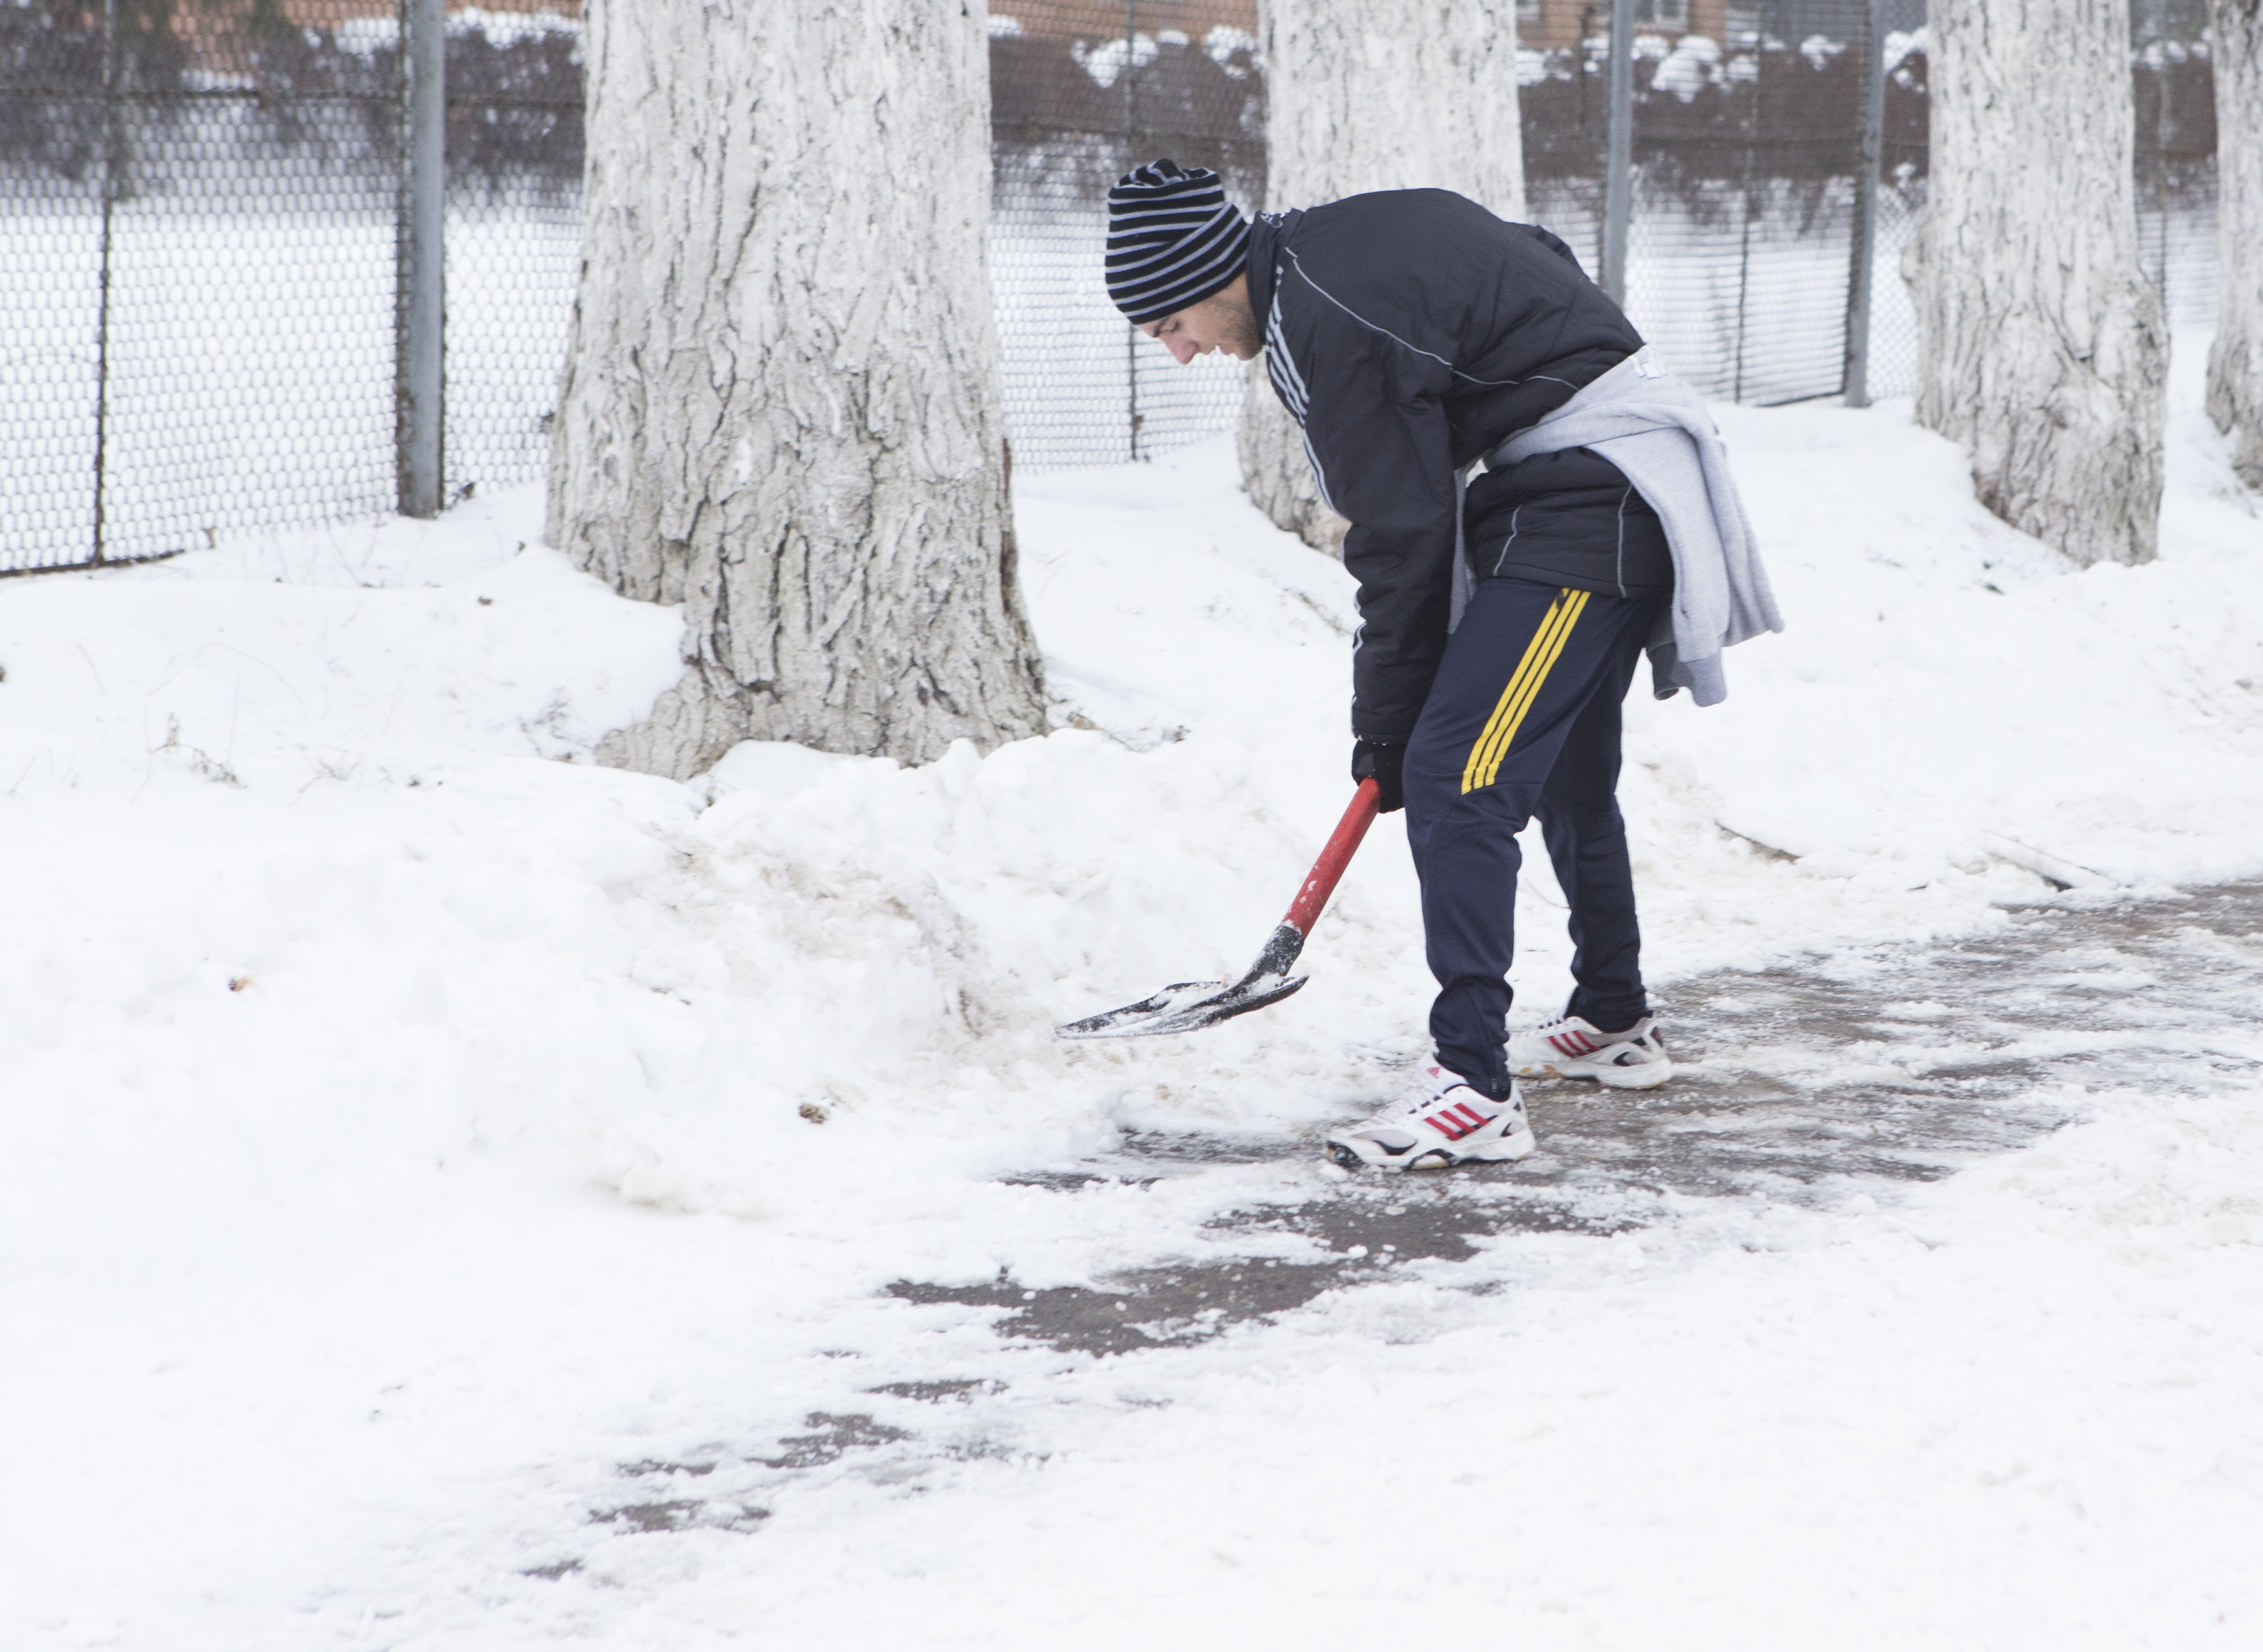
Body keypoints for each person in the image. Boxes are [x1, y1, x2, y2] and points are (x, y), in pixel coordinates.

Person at [1104, 159, 1781, 1172]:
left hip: (1591, 498)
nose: (1181, 352)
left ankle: (1474, 1086)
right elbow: (1531, 252)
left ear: (1207, 275)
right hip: (1594, 482)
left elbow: (1401, 537)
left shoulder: (1324, 319)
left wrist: (1388, 726)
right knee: (1561, 769)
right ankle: (1612, 1016)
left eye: (1172, 324)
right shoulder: (1332, 247)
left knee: (1456, 772)